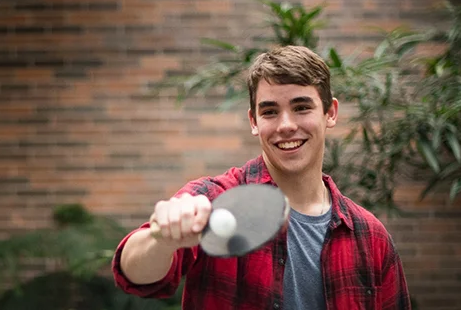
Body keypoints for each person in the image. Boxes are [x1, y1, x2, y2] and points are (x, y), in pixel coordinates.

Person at [111, 45, 411, 310]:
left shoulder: (370, 237)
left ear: (330, 113)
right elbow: (136, 275)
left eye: (301, 107)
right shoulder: (212, 200)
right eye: (270, 112)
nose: (286, 125)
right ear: (254, 121)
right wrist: (161, 240)